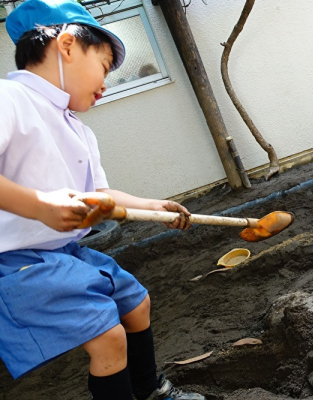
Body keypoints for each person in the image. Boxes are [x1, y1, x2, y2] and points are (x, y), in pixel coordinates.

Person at [0, 1, 205, 399]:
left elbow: (101, 195)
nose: (106, 82)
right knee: (108, 336)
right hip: (16, 261)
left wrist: (154, 207)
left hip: (64, 252)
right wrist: (40, 206)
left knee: (136, 303)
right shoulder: (10, 100)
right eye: (105, 65)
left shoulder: (77, 129)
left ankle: (150, 390)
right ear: (68, 44)